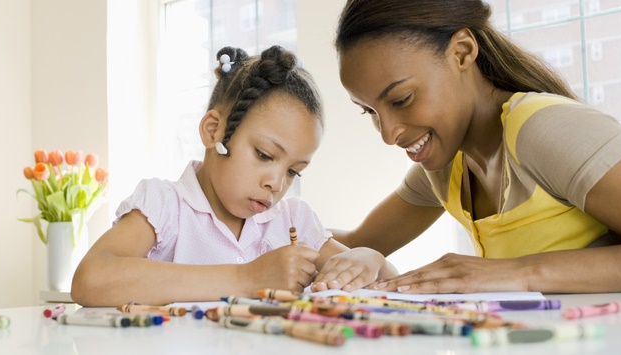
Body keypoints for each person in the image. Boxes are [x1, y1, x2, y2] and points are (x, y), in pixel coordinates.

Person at [314, 0, 621, 294]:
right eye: (370, 111)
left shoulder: (540, 129)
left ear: (462, 52)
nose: (388, 134)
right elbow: (354, 245)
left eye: (402, 99)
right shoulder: (447, 163)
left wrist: (522, 272)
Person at [71, 45, 398, 306]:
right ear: (214, 131)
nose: (277, 183)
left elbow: (388, 280)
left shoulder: (293, 221)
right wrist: (247, 278)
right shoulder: (165, 206)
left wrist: (371, 258)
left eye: (293, 172)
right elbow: (91, 280)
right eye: (265, 155)